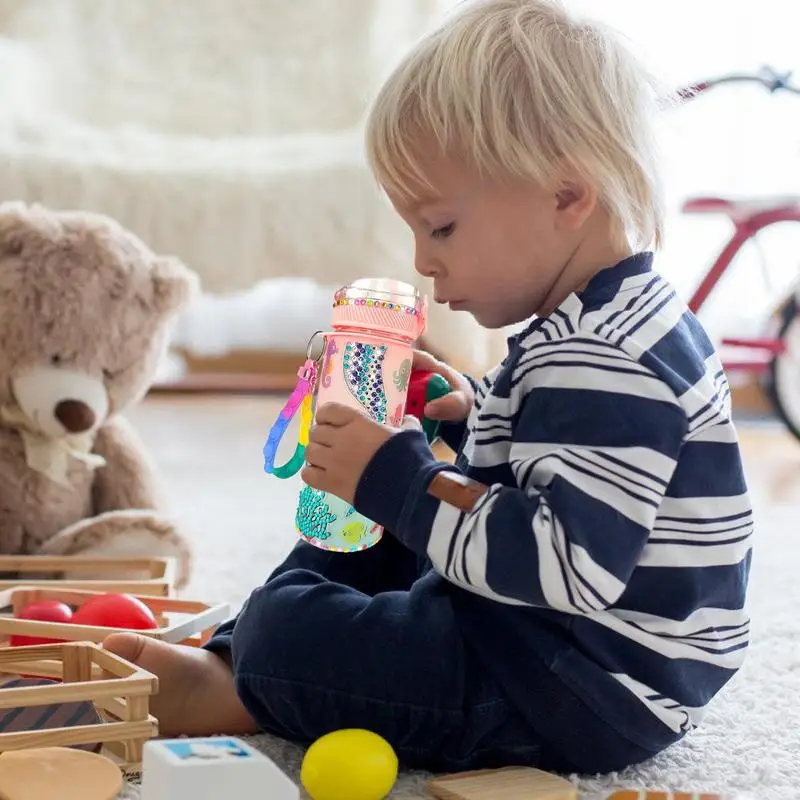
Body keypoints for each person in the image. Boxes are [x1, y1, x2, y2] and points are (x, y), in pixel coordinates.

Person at [103, 0, 753, 776]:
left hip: (585, 687)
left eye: (441, 228)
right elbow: (559, 463)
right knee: (356, 533)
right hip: (548, 635)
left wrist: (401, 479)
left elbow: (567, 566)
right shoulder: (601, 321)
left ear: (566, 195)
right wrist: (473, 412)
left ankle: (255, 675)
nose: (425, 261)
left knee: (301, 621)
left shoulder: (605, 361)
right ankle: (241, 657)